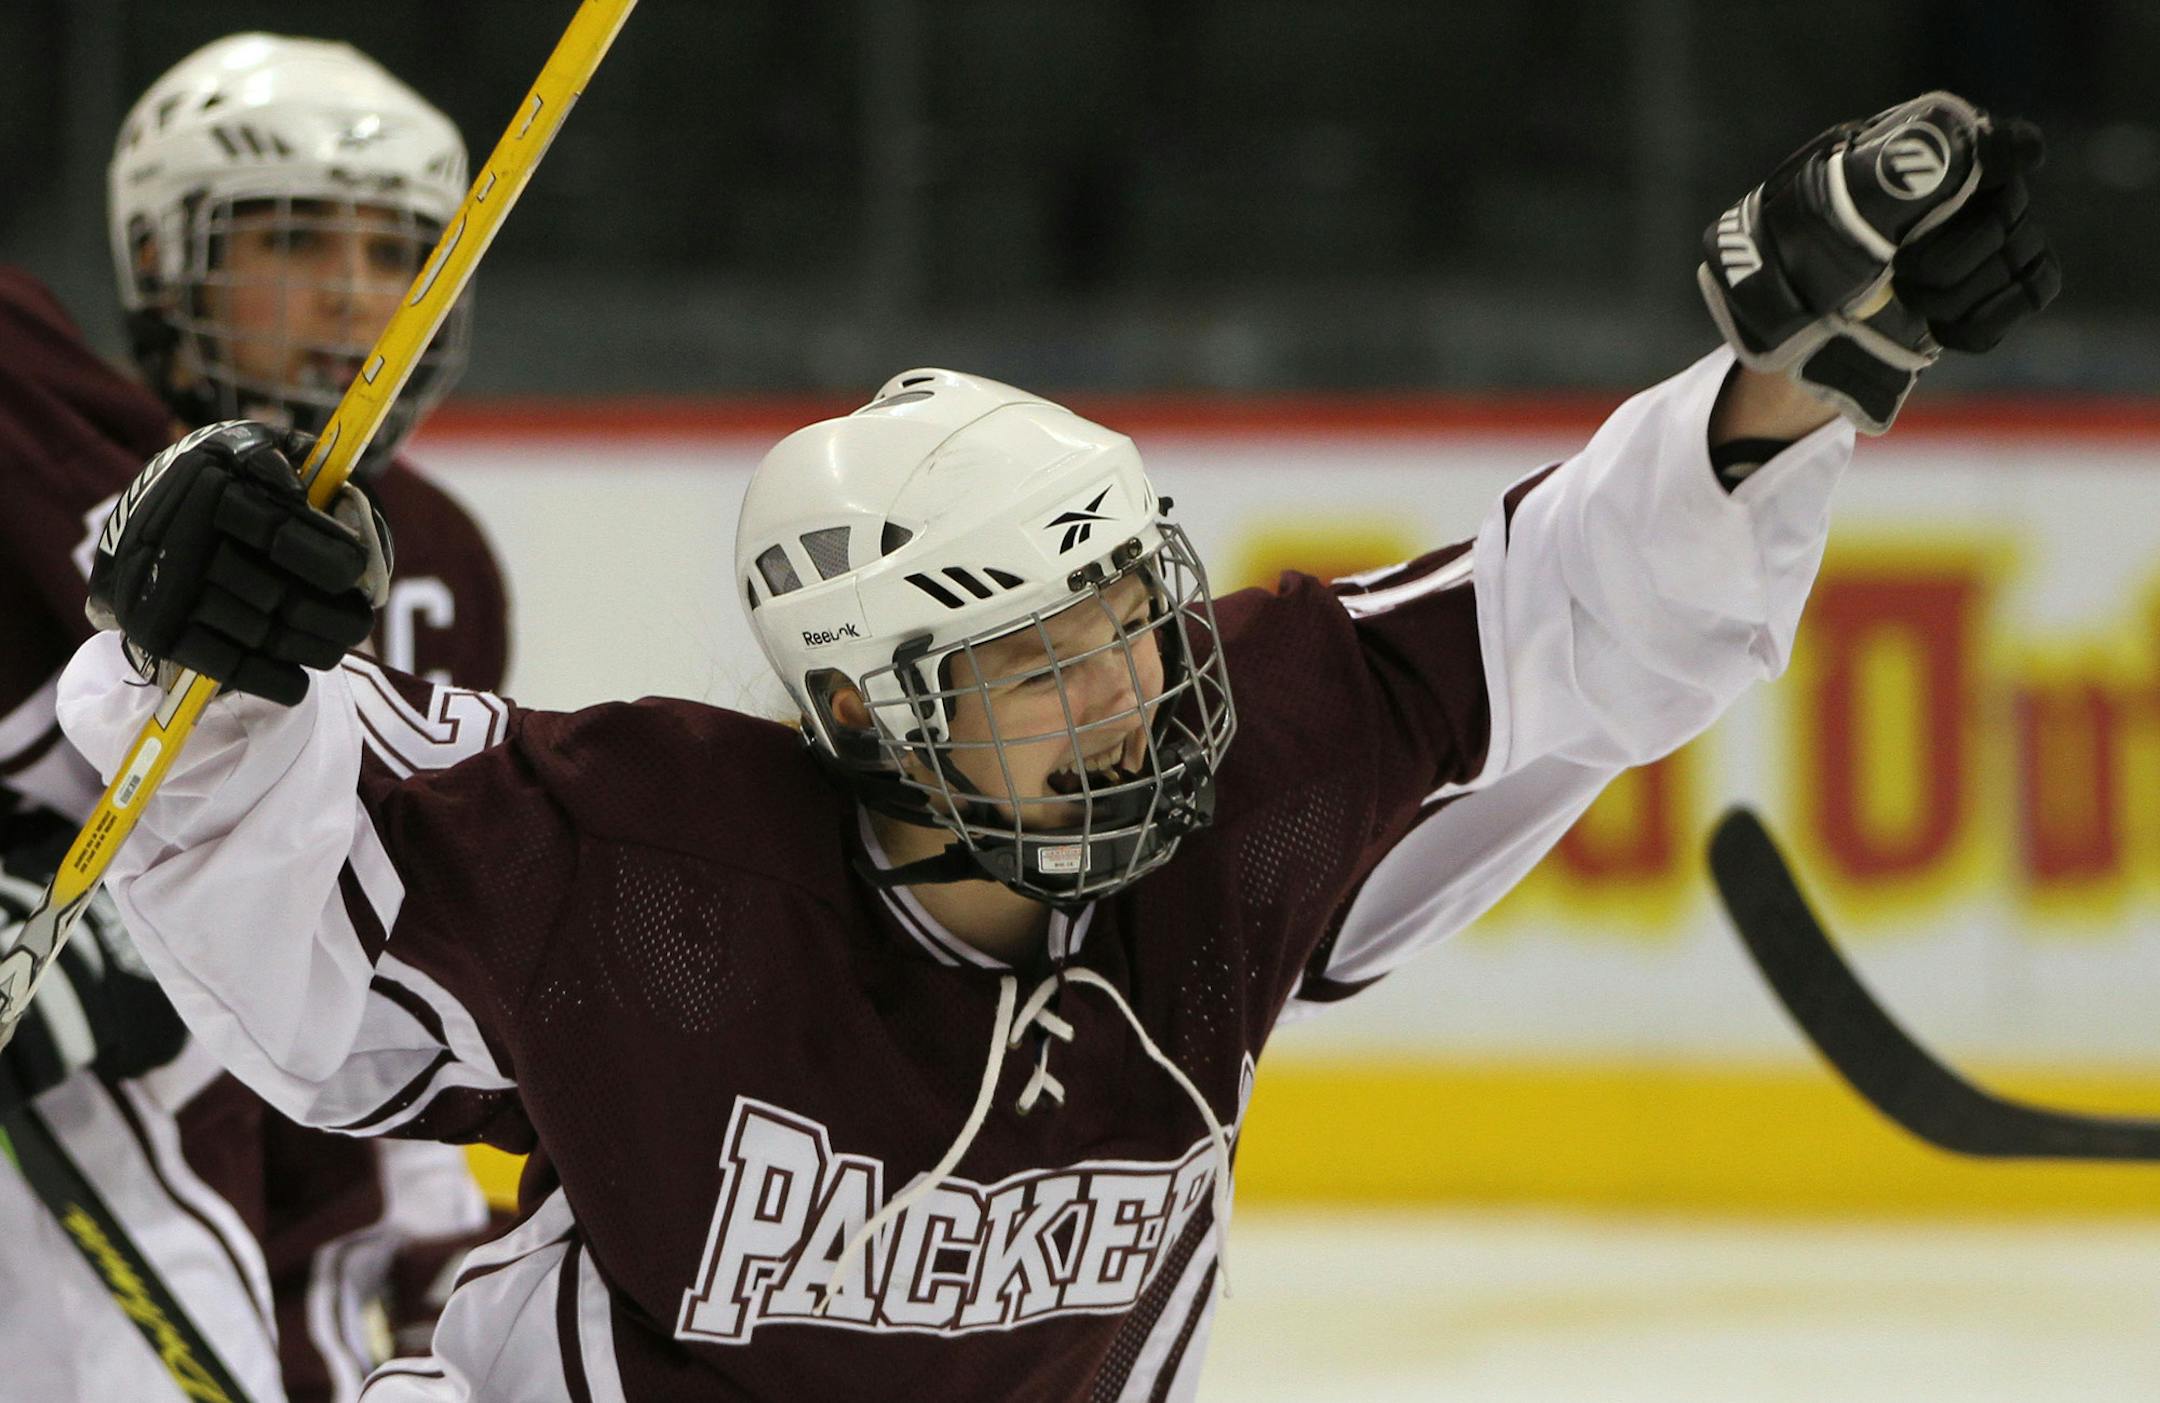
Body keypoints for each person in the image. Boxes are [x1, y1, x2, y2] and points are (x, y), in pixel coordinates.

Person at [54, 93, 2056, 1400]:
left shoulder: (1244, 805)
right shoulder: (654, 866)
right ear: (863, 713)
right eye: (1043, 663)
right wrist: (189, 620)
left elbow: (1573, 604)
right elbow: (277, 843)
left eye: (1134, 620)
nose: (1130, 695)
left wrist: (1810, 362)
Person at [0, 33, 511, 1402]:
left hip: (304, 1151)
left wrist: (441, 1241)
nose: (352, 298)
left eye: (394, 252)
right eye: (292, 241)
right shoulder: (39, 462)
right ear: (167, 262)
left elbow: (439, 919)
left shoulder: (441, 555)